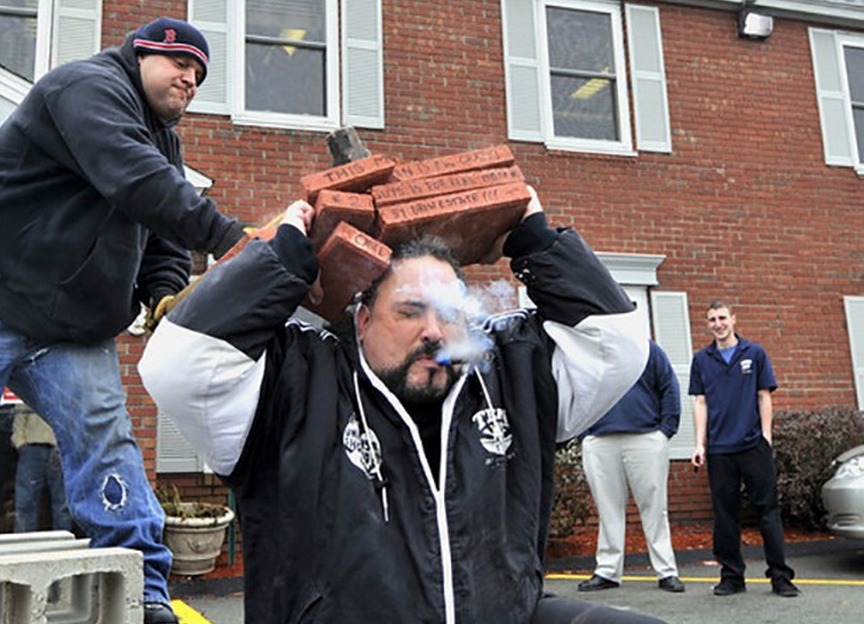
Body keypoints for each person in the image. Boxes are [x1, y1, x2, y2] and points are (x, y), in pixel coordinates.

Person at [0, 16, 246, 624]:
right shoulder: (85, 89)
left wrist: (164, 292)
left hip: (70, 326)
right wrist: (231, 239)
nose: (189, 80)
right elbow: (131, 174)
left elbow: (165, 238)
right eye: (179, 64)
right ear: (140, 55)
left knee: (105, 442)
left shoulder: (164, 144)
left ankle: (141, 587)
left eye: (199, 75)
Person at [140, 193, 669, 623]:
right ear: (363, 321)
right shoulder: (296, 383)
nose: (434, 331)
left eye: (448, 313)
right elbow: (178, 364)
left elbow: (618, 344)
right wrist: (282, 261)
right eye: (410, 312)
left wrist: (535, 239)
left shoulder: (507, 375)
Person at [689, 300, 799, 598]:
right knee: (725, 515)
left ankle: (780, 576)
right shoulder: (702, 360)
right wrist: (700, 443)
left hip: (753, 446)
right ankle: (732, 576)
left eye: (722, 317)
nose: (717, 324)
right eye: (711, 319)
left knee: (768, 512)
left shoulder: (755, 353)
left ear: (733, 320)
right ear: (708, 324)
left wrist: (765, 436)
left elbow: (764, 396)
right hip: (719, 451)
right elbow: (700, 402)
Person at [577, 339, 685, 594]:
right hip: (600, 439)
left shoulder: (649, 350)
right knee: (607, 508)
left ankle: (667, 571)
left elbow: (669, 386)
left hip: (646, 437)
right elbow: (579, 391)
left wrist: (665, 430)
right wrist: (584, 433)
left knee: (655, 508)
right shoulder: (591, 351)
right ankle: (607, 571)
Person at [11, 405, 72, 533]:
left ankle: (62, 545)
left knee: (62, 504)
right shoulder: (30, 386)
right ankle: (23, 545)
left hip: (59, 448)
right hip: (32, 448)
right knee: (25, 502)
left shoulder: (64, 389)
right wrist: (21, 444)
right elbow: (20, 415)